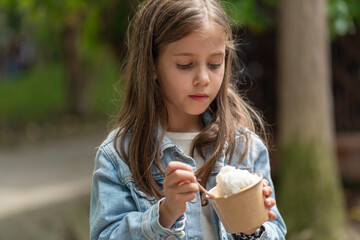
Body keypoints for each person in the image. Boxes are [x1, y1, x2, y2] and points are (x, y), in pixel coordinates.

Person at [90, 0, 286, 239]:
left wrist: (252, 227)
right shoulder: (118, 156)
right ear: (152, 65)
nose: (203, 78)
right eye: (185, 65)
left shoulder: (245, 148)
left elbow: (275, 231)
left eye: (215, 64)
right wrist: (165, 213)